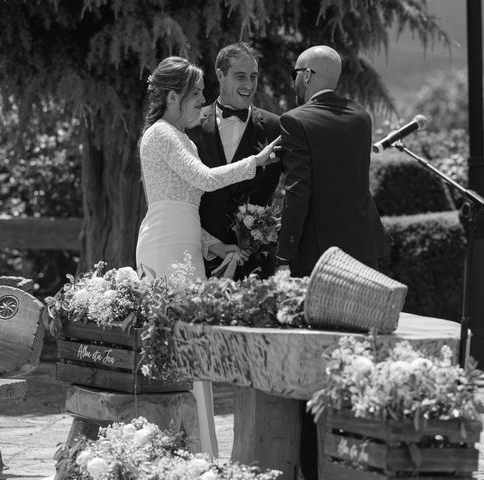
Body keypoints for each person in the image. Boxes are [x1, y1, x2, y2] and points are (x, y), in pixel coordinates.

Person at [135, 56, 279, 457]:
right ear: (171, 97)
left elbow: (186, 205)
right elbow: (202, 180)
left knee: (191, 347)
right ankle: (174, 447)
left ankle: (197, 449)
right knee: (175, 345)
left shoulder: (183, 138)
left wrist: (216, 246)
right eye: (195, 93)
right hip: (164, 244)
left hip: (184, 243)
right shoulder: (161, 135)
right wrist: (256, 162)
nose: (202, 100)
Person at [276, 45, 390, 480]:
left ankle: (313, 461)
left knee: (316, 359)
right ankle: (360, 455)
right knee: (361, 354)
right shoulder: (362, 118)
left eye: (294, 72)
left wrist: (284, 255)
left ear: (306, 76)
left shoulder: (296, 120)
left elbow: (298, 192)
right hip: (365, 252)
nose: (293, 80)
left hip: (321, 260)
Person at [187, 42, 283, 279]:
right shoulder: (192, 125)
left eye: (253, 77)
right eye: (240, 76)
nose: (249, 85)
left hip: (257, 262)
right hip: (201, 259)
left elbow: (298, 185)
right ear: (220, 75)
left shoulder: (275, 127)